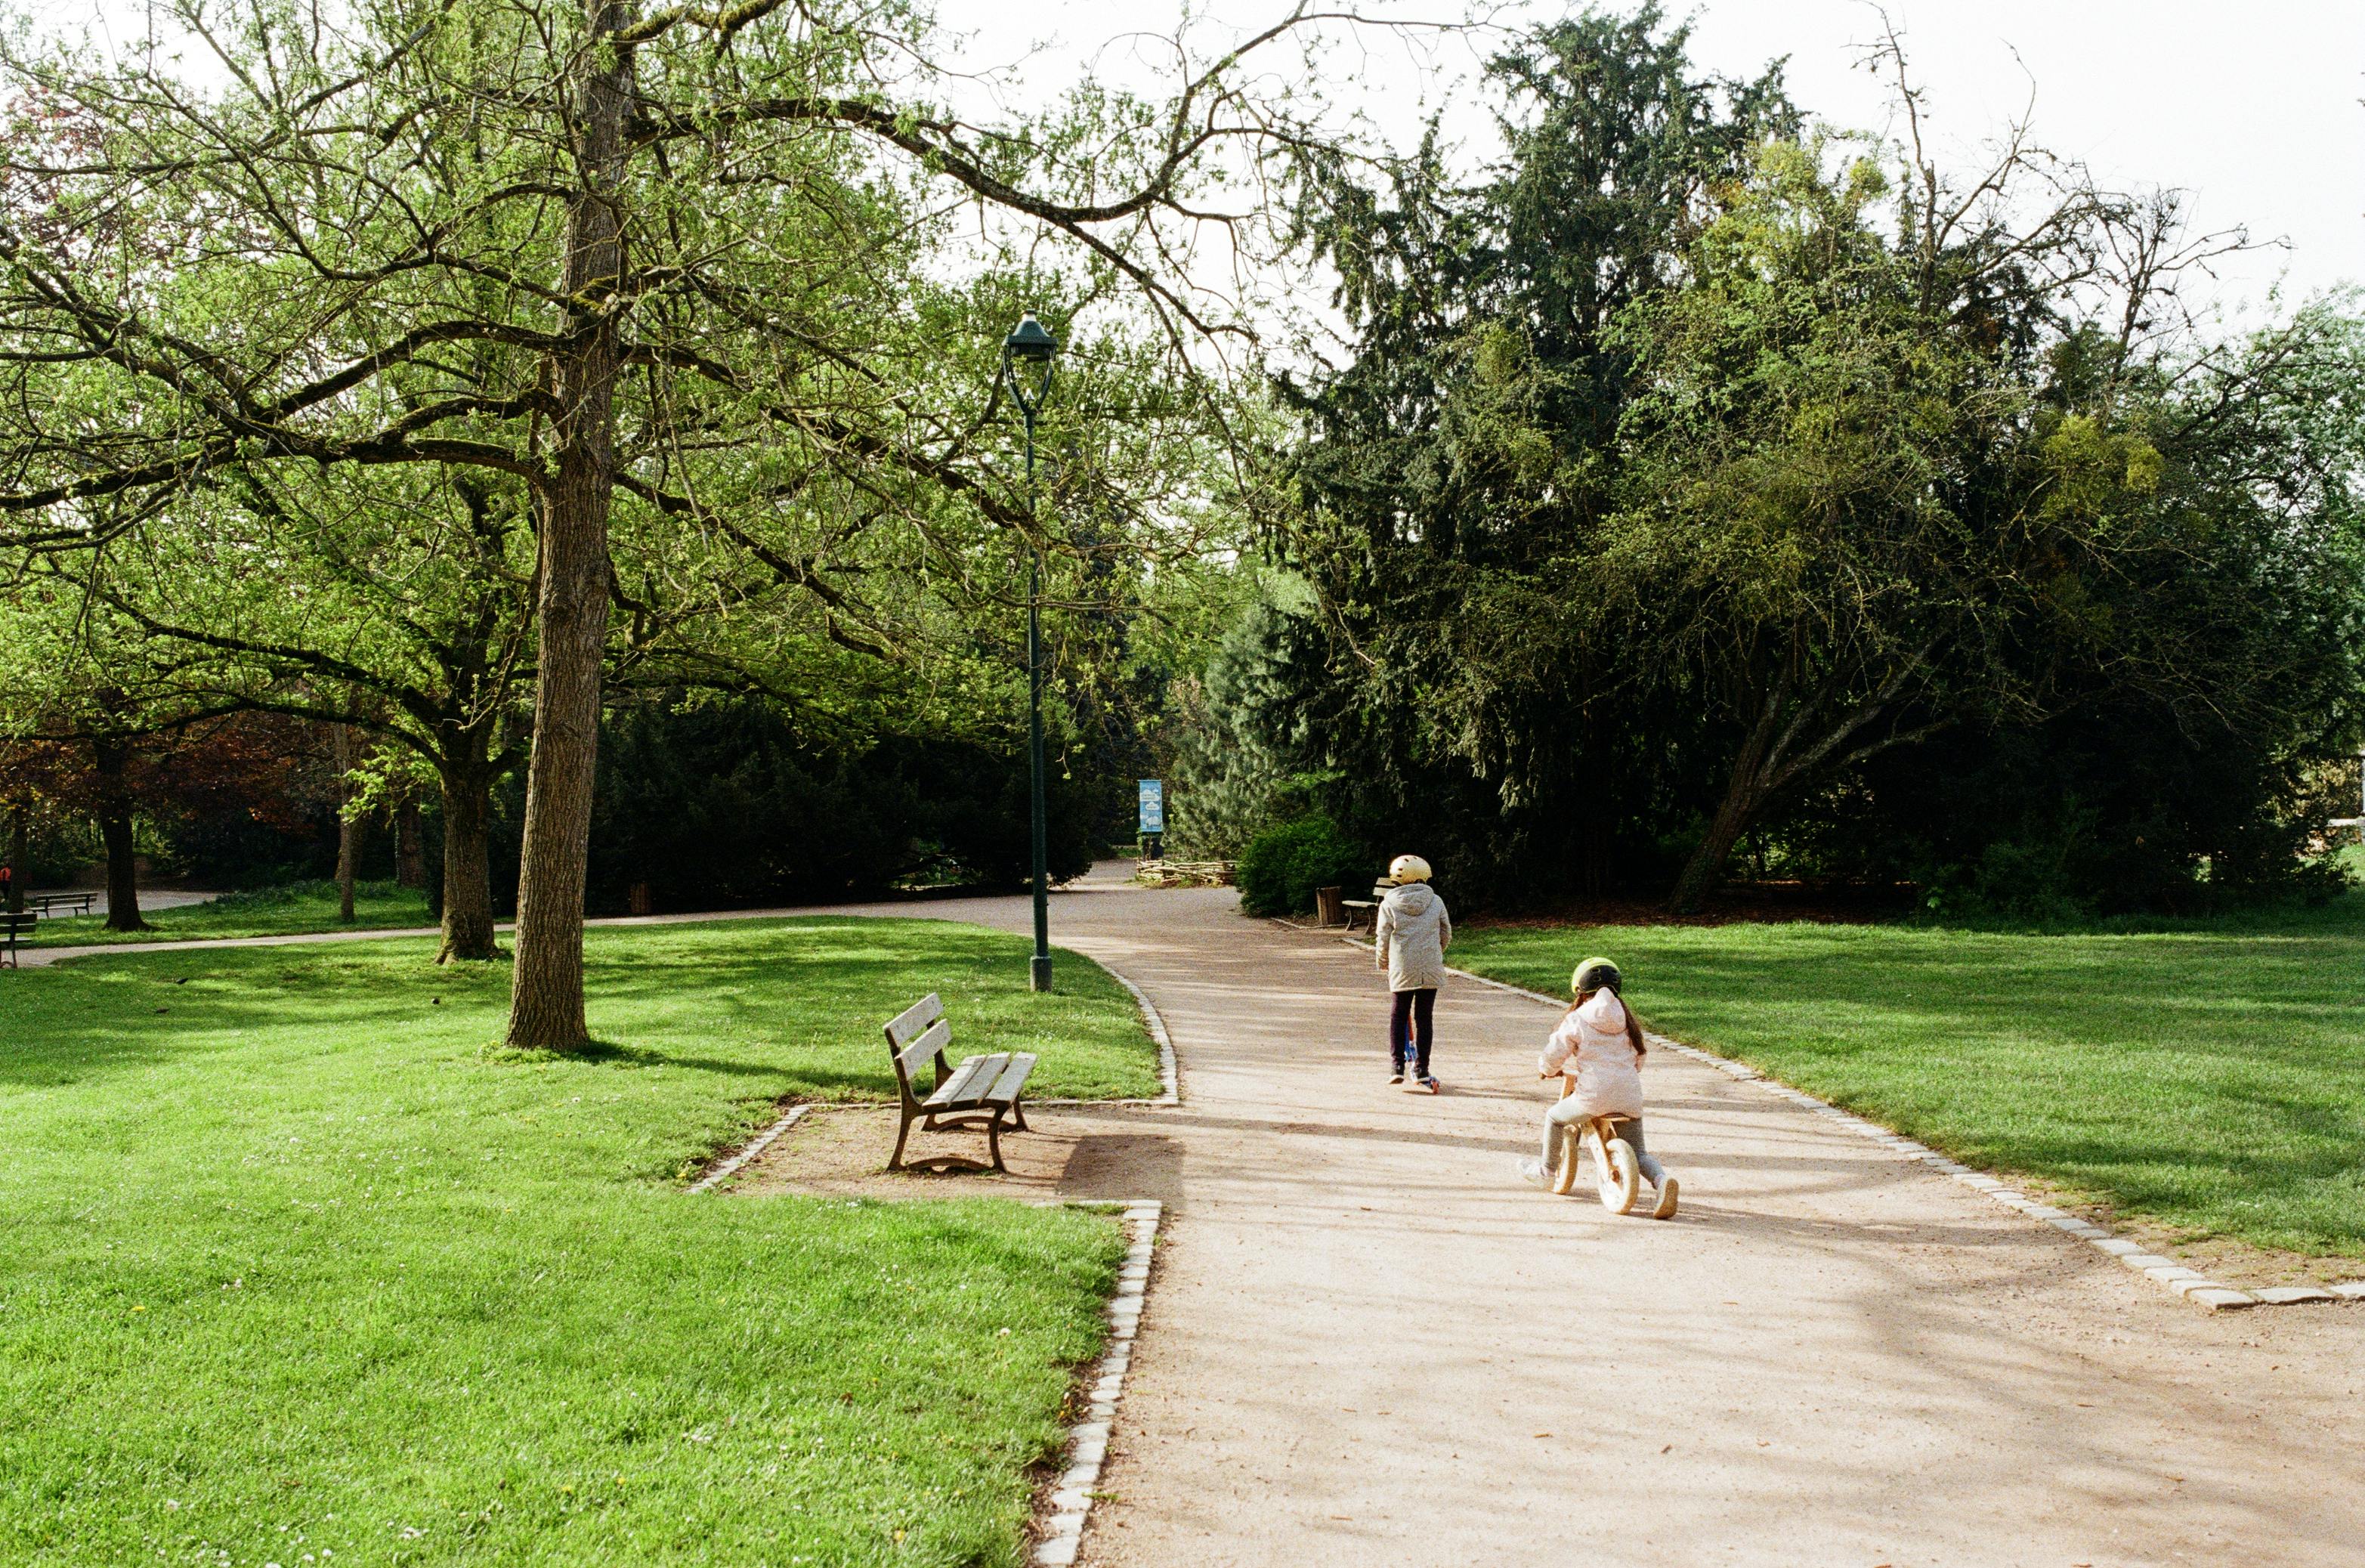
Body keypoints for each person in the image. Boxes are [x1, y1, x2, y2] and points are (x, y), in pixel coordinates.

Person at [1520, 957, 1679, 1218]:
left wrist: (1546, 1070)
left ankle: (1546, 1172)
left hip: (1593, 1097)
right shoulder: (1626, 1019)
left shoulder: (1578, 1018)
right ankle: (1662, 1181)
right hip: (1629, 1094)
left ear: (1581, 991)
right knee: (1639, 1153)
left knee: (1555, 1118)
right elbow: (1639, 1057)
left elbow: (1556, 1051)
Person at [1374, 853, 1451, 1093]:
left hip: (1403, 967)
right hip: (1430, 966)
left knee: (1398, 1015)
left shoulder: (1388, 903)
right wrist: (1437, 952)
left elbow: (1382, 938)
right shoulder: (1436, 901)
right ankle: (1422, 1068)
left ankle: (1397, 1067)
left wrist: (1383, 962)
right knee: (1424, 1018)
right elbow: (1446, 932)